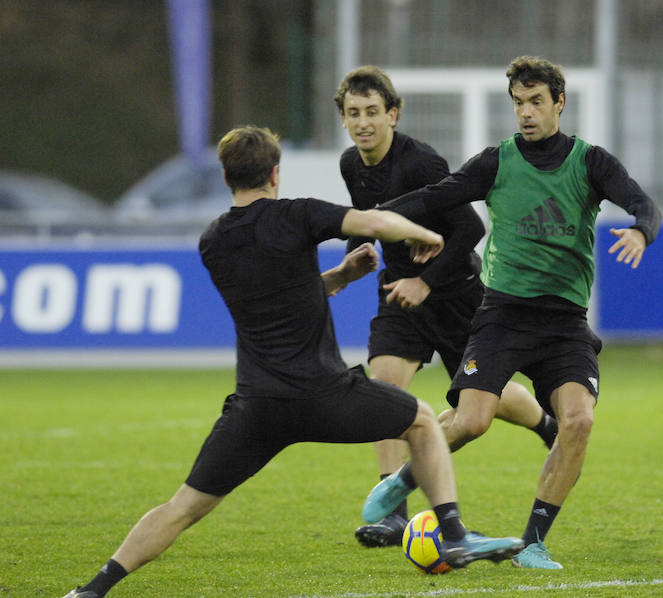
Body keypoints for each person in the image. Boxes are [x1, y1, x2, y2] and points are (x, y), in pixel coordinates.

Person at [59, 126, 524, 598]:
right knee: (422, 421)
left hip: (257, 406)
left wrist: (341, 275)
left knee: (182, 507)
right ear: (275, 173)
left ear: (225, 176)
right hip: (325, 393)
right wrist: (428, 234)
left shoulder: (212, 241)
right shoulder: (298, 214)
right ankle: (455, 534)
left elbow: (277, 297)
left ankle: (93, 589)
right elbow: (377, 224)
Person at [361, 56, 662, 569]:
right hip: (502, 314)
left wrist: (640, 230)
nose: (526, 112)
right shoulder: (497, 161)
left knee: (578, 422)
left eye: (536, 102)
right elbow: (437, 197)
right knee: (473, 421)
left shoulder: (590, 162)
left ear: (558, 103)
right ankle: (402, 481)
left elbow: (644, 203)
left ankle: (534, 542)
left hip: (564, 321)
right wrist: (370, 219)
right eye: (519, 103)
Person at [334, 66, 558, 548]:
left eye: (373, 112)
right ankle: (393, 512)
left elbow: (471, 230)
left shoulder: (422, 164)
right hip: (398, 293)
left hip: (455, 294)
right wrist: (361, 249)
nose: (363, 123)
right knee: (385, 389)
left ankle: (545, 423)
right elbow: (375, 220)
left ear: (393, 114)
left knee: (484, 400)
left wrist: (428, 281)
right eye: (353, 114)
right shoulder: (350, 164)